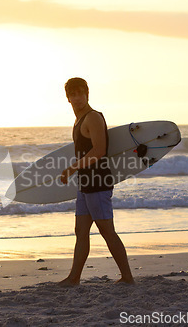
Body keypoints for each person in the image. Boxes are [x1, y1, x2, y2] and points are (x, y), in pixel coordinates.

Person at [58, 77, 134, 286]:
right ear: (68, 98)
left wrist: (72, 168)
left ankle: (128, 277)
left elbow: (99, 150)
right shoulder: (79, 120)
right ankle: (74, 278)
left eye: (80, 93)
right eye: (72, 94)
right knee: (81, 230)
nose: (77, 98)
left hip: (98, 183)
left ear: (87, 94)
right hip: (85, 184)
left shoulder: (92, 118)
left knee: (106, 230)